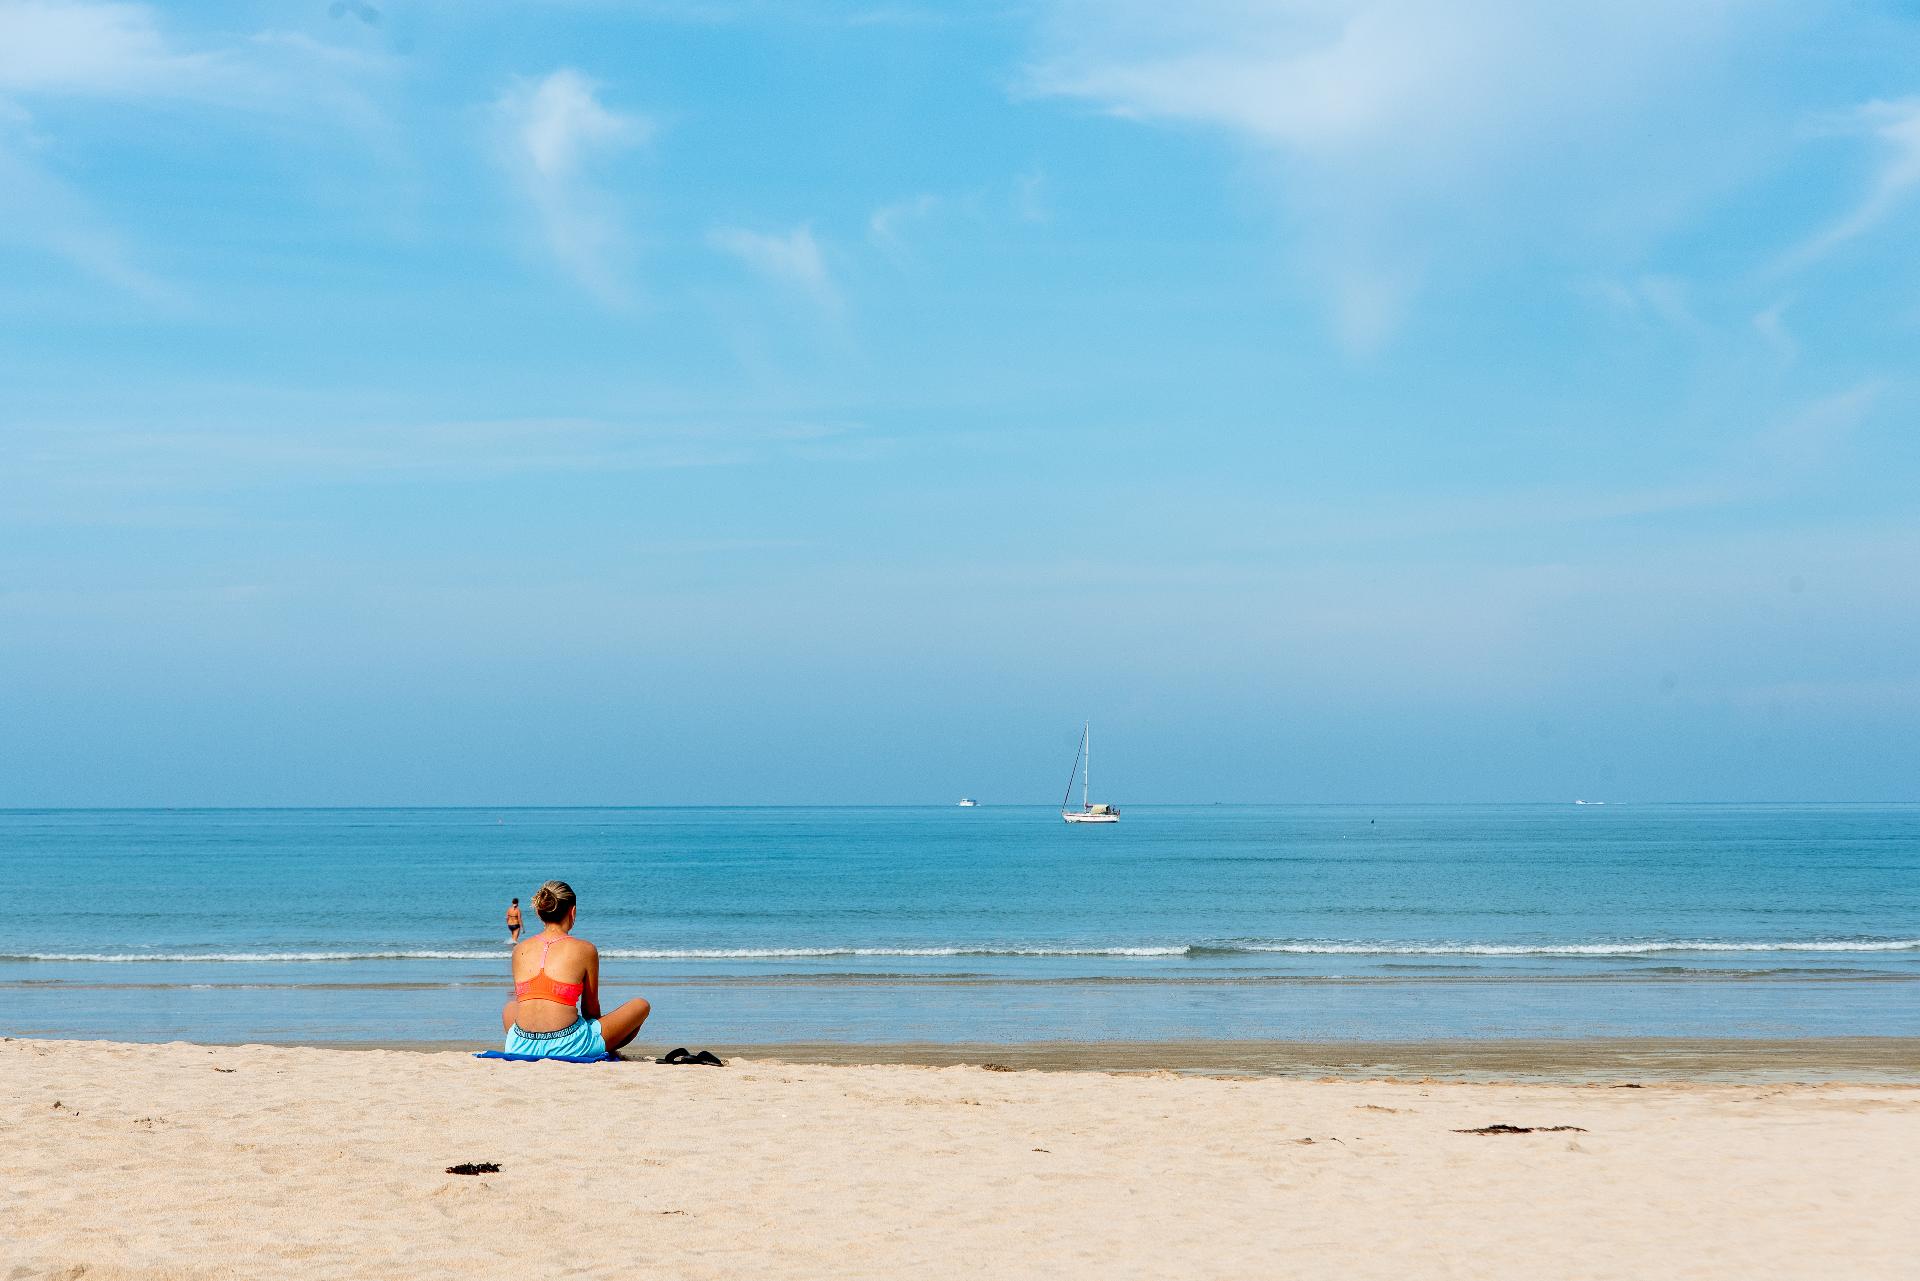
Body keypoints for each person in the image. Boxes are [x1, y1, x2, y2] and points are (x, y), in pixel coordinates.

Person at [501, 880, 651, 1059]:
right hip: (569, 1045)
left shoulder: (519, 949)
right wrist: (601, 1032)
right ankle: (604, 1048)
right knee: (641, 1005)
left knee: (510, 1007)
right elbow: (590, 1009)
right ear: (573, 912)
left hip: (520, 1044)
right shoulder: (585, 949)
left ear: (539, 913)